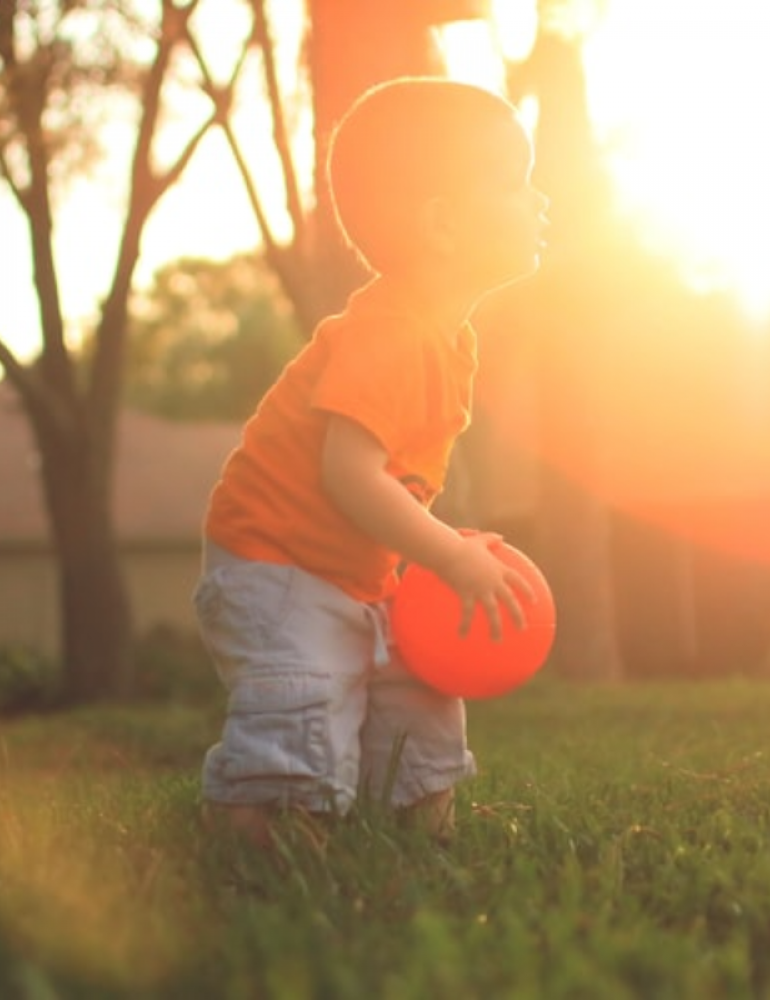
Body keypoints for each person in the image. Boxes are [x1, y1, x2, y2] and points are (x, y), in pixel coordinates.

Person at [194, 77, 550, 848]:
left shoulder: (446, 336)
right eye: (517, 182)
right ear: (444, 224)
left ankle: (420, 824)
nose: (539, 200)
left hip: (351, 564)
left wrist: (430, 551)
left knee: (417, 684)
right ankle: (264, 827)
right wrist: (448, 552)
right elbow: (347, 476)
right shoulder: (391, 331)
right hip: (276, 560)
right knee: (306, 694)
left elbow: (386, 485)